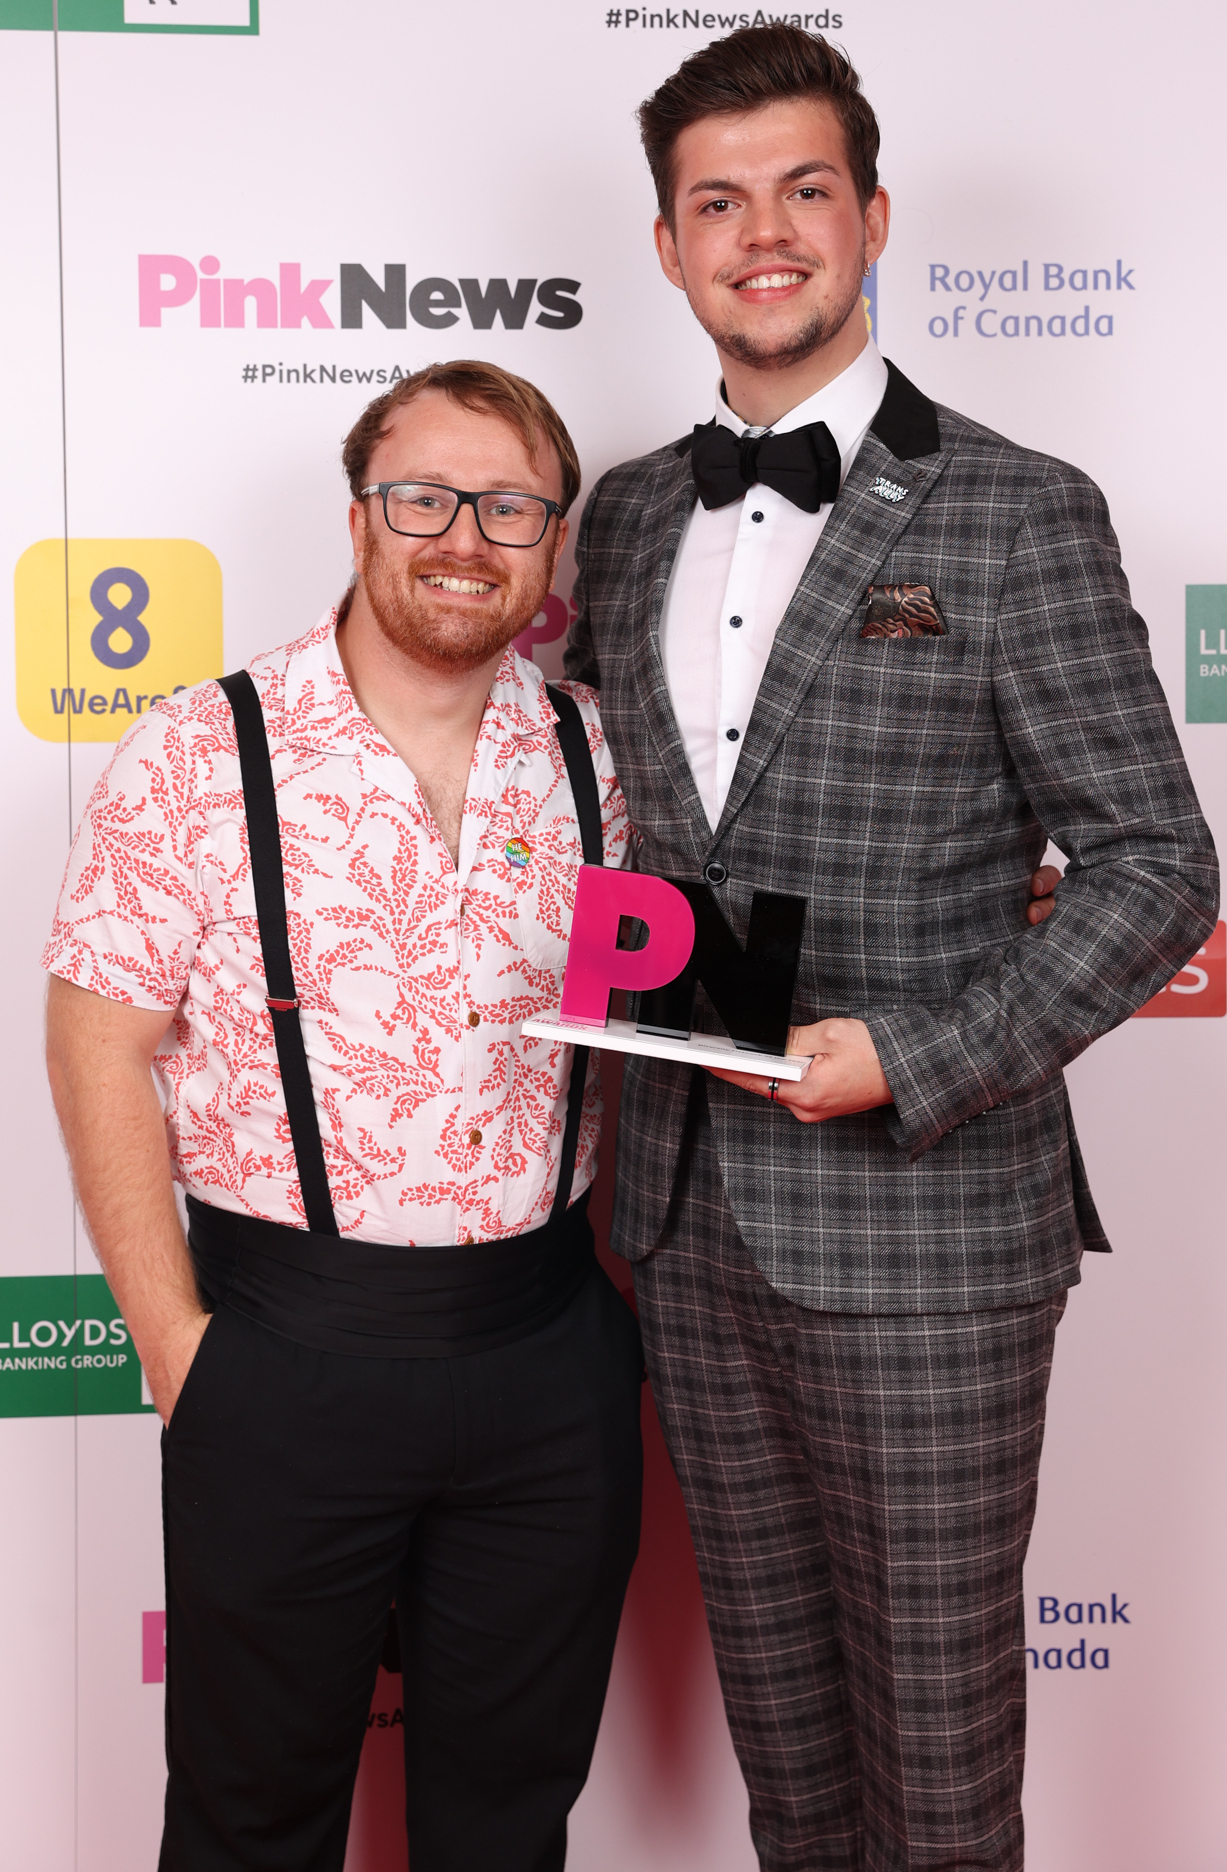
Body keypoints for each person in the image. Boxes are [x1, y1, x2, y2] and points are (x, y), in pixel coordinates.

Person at [563, 25, 1218, 1872]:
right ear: (670, 244)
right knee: (790, 1768)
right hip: (684, 1230)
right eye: (718, 201)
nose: (762, 233)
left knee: (937, 1786)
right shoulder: (620, 516)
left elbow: (1159, 868)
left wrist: (914, 1056)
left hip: (928, 1235)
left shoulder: (1020, 509)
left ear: (869, 218)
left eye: (802, 191)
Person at [43, 361, 646, 1872]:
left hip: (549, 1357)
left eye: (511, 506)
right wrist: (182, 1356)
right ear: (362, 512)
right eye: (423, 496)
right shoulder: (200, 750)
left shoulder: (600, 756)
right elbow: (98, 1048)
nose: (465, 537)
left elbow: (690, 1003)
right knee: (253, 1821)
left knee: (509, 1825)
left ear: (553, 537)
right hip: (284, 1359)